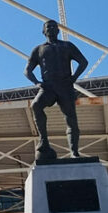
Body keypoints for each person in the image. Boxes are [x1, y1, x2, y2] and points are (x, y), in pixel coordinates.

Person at [25, 20, 88, 160]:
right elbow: (27, 70)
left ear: (58, 30)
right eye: (48, 27)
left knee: (71, 119)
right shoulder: (39, 49)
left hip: (65, 86)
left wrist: (74, 78)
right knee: (36, 105)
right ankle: (44, 140)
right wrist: (37, 83)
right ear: (44, 31)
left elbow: (83, 62)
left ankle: (74, 152)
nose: (52, 29)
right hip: (48, 86)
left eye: (54, 26)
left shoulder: (67, 46)